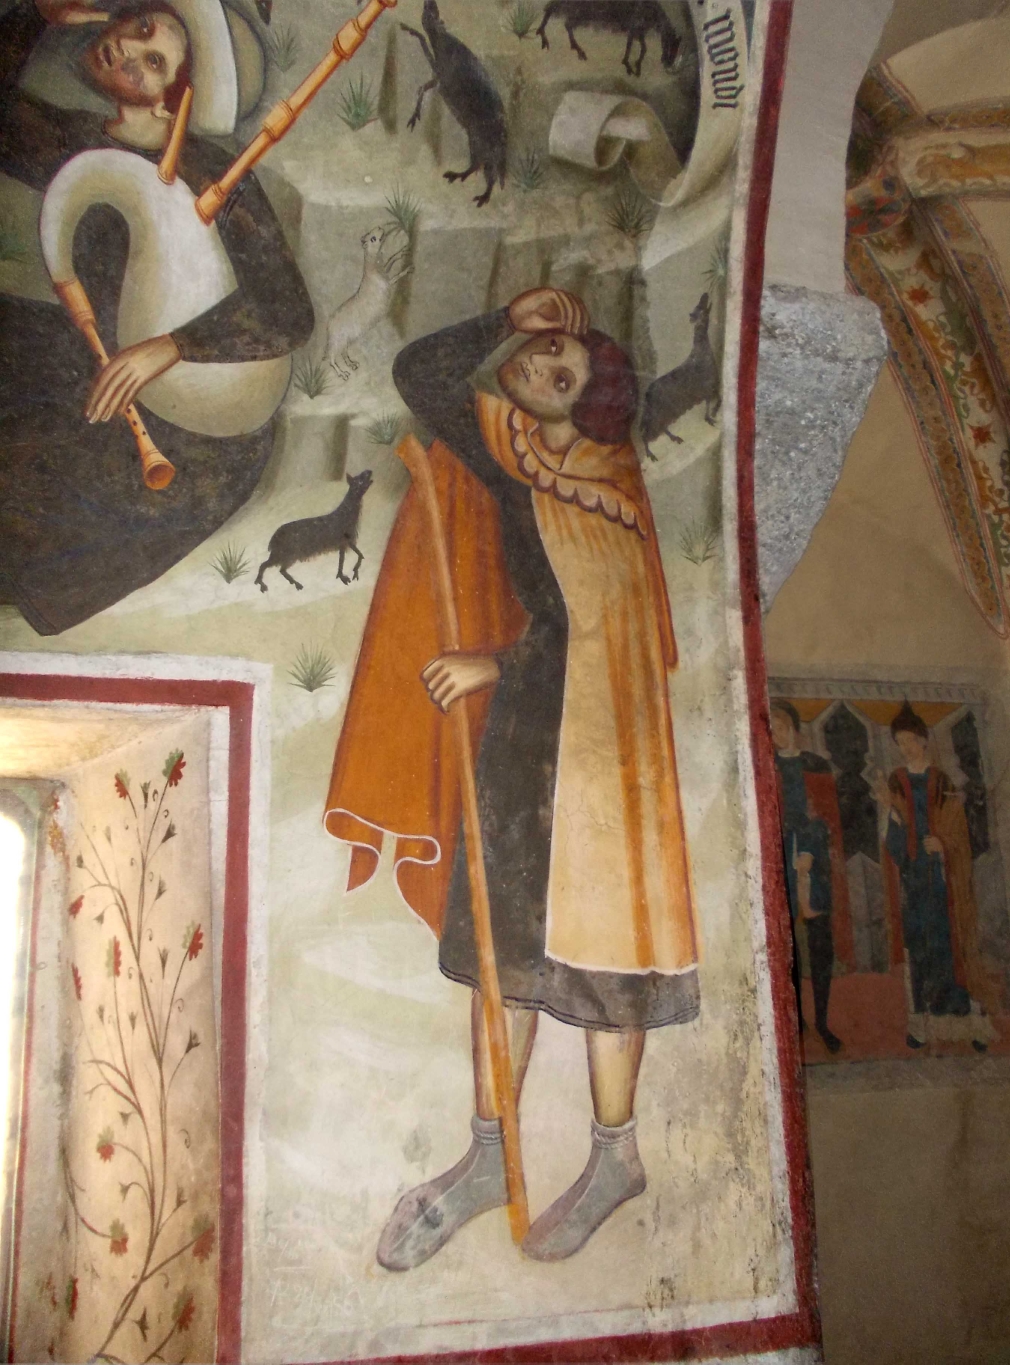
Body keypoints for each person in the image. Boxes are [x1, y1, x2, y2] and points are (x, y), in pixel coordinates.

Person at [324, 286, 699, 1267]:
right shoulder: (512, 452)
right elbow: (421, 374)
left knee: (605, 963)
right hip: (525, 746)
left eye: (565, 364)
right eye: (540, 353)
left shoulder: (610, 493)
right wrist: (508, 314)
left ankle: (614, 1156)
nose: (543, 365)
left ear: (595, 395)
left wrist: (493, 664)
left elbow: (598, 635)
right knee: (507, 954)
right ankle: (491, 1154)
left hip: (605, 760)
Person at [0, 0, 314, 633]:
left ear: (173, 99)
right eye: (142, 30)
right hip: (94, 353)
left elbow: (287, 310)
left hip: (195, 427)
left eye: (154, 63)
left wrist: (169, 347)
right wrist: (34, 15)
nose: (129, 53)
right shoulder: (78, 140)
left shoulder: (215, 174)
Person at [874, 701, 997, 1051]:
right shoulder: (896, 781)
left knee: (948, 942)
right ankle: (922, 1023)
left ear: (924, 740)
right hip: (913, 876)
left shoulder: (942, 780)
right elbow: (892, 833)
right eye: (900, 743)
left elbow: (957, 830)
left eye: (911, 740)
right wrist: (891, 812)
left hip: (942, 879)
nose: (906, 748)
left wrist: (943, 844)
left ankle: (965, 1020)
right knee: (919, 945)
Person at [770, 700, 847, 1054]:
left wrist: (810, 852)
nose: (777, 734)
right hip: (781, 864)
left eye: (782, 726)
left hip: (813, 866)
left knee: (820, 946)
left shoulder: (815, 765)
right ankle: (795, 1019)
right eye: (772, 728)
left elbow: (826, 817)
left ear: (794, 728)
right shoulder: (767, 766)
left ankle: (823, 1021)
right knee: (786, 947)